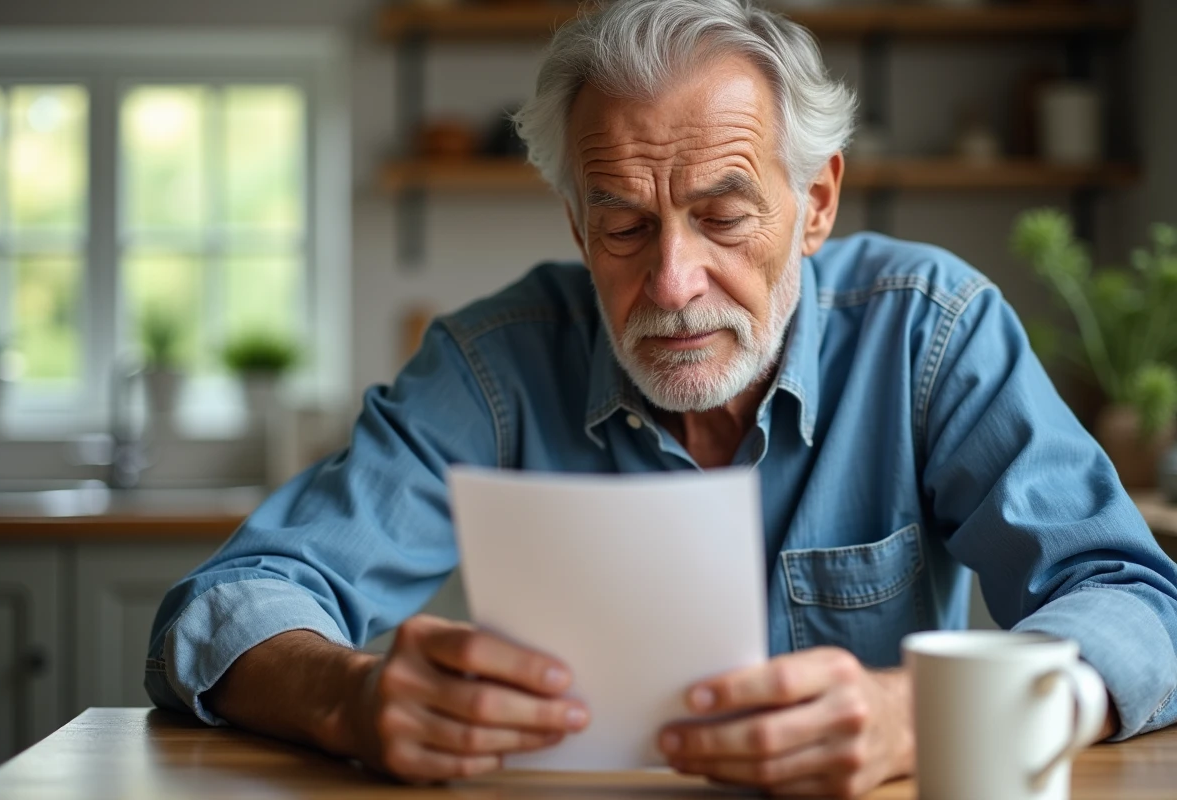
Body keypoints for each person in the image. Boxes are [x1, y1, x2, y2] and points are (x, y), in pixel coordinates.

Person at [146, 0, 1177, 796]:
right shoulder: (492, 365)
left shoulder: (931, 329)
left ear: (813, 203)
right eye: (627, 227)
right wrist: (350, 693)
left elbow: (1140, 602)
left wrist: (924, 714)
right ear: (575, 223)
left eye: (724, 217)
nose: (674, 283)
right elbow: (225, 604)